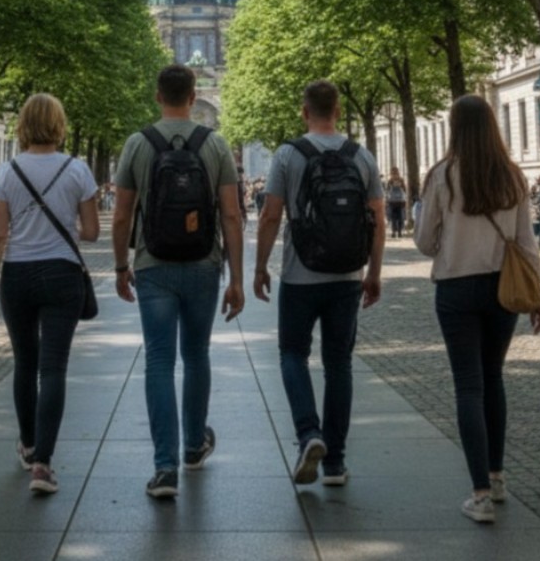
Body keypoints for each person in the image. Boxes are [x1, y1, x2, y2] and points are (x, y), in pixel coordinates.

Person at [414, 95, 540, 524]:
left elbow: (423, 242)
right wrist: (539, 295)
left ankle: (479, 494)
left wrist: (448, 238)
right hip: (502, 289)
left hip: (455, 288)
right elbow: (526, 242)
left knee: (468, 386)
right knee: (493, 379)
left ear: (454, 128)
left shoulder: (443, 175)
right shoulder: (511, 175)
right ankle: (497, 475)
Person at [112, 64, 244, 500]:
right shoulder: (216, 143)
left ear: (157, 96)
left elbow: (122, 214)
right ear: (192, 97)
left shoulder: (137, 143)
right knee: (197, 355)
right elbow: (230, 216)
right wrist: (237, 277)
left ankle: (164, 467)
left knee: (158, 361)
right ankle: (192, 447)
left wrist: (119, 267)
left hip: (153, 264)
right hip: (205, 263)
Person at [254, 80, 385, 487]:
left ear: (303, 110)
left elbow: (271, 215)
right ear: (340, 110)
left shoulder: (288, 154)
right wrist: (374, 273)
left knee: (293, 354)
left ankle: (309, 434)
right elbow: (377, 221)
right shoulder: (361, 155)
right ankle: (335, 463)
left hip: (299, 274)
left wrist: (259, 267)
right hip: (347, 275)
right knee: (339, 364)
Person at [0, 93, 99, 496]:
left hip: (17, 276)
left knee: (24, 364)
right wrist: (63, 222)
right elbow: (92, 231)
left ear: (23, 125)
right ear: (60, 124)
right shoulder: (78, 169)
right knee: (54, 368)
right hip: (62, 273)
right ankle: (44, 466)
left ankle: (28, 446)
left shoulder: (5, 171)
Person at [384, 167, 408, 238]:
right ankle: (398, 232)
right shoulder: (400, 180)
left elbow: (387, 191)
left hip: (393, 201)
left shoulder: (390, 181)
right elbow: (404, 190)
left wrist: (386, 200)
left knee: (394, 217)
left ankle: (395, 232)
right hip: (399, 201)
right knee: (399, 217)